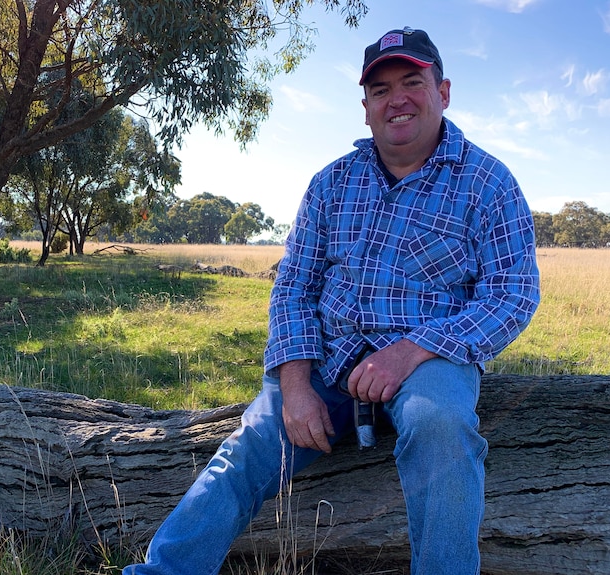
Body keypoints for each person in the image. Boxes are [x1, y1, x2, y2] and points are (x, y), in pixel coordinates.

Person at [122, 27, 540, 575]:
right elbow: (294, 287)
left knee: (441, 430)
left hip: (429, 359)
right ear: (366, 108)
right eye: (381, 89)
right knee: (246, 453)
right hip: (327, 356)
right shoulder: (331, 183)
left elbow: (513, 294)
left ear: (443, 91)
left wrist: (410, 351)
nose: (398, 99)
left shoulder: (489, 183)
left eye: (412, 82)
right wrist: (294, 388)